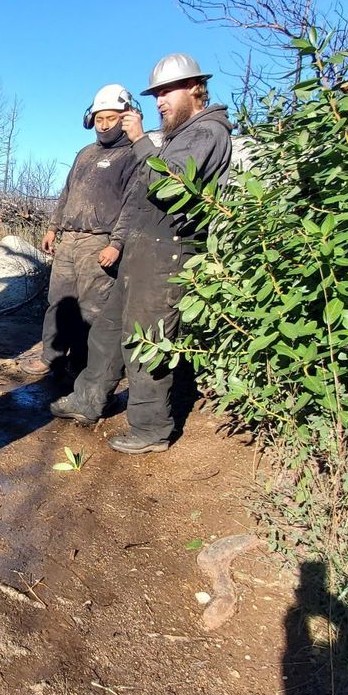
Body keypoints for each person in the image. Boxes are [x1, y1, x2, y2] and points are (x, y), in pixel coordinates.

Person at [106, 52, 232, 455]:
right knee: (123, 334)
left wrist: (142, 141)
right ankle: (99, 400)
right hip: (147, 252)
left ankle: (150, 430)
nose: (160, 101)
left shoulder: (207, 133)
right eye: (156, 93)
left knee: (149, 340)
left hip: (169, 254)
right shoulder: (183, 135)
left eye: (167, 91)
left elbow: (169, 186)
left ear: (195, 88)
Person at [38, 83, 142, 423]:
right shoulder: (85, 154)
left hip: (100, 243)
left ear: (125, 117)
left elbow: (132, 205)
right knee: (59, 303)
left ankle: (84, 376)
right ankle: (52, 360)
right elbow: (66, 192)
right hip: (70, 239)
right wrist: (54, 227)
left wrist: (118, 243)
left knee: (92, 313)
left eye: (111, 117)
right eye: (99, 117)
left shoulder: (132, 156)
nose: (104, 124)